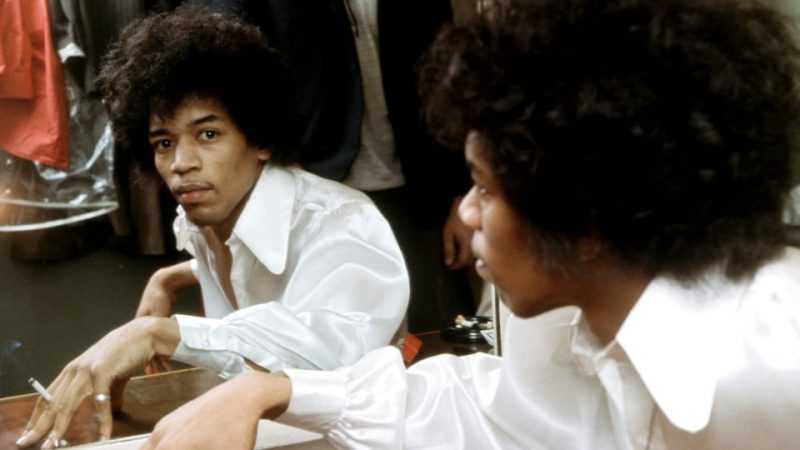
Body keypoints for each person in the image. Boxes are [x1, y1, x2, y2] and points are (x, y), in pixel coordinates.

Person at [138, 0, 800, 448]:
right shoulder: (567, 317)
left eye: (483, 188)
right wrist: (275, 389)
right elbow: (494, 410)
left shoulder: (776, 362)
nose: (465, 212)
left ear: (584, 215)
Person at [14, 6, 409, 449]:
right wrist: (172, 276)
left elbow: (331, 365)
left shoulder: (343, 220)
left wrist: (159, 332)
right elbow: (259, 265)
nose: (181, 163)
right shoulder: (205, 215)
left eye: (208, 135)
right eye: (164, 142)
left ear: (260, 139)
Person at [185, 0, 478, 332]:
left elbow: (447, 75)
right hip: (308, 182)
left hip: (416, 188)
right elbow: (219, 54)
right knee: (314, 338)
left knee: (428, 334)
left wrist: (460, 192)